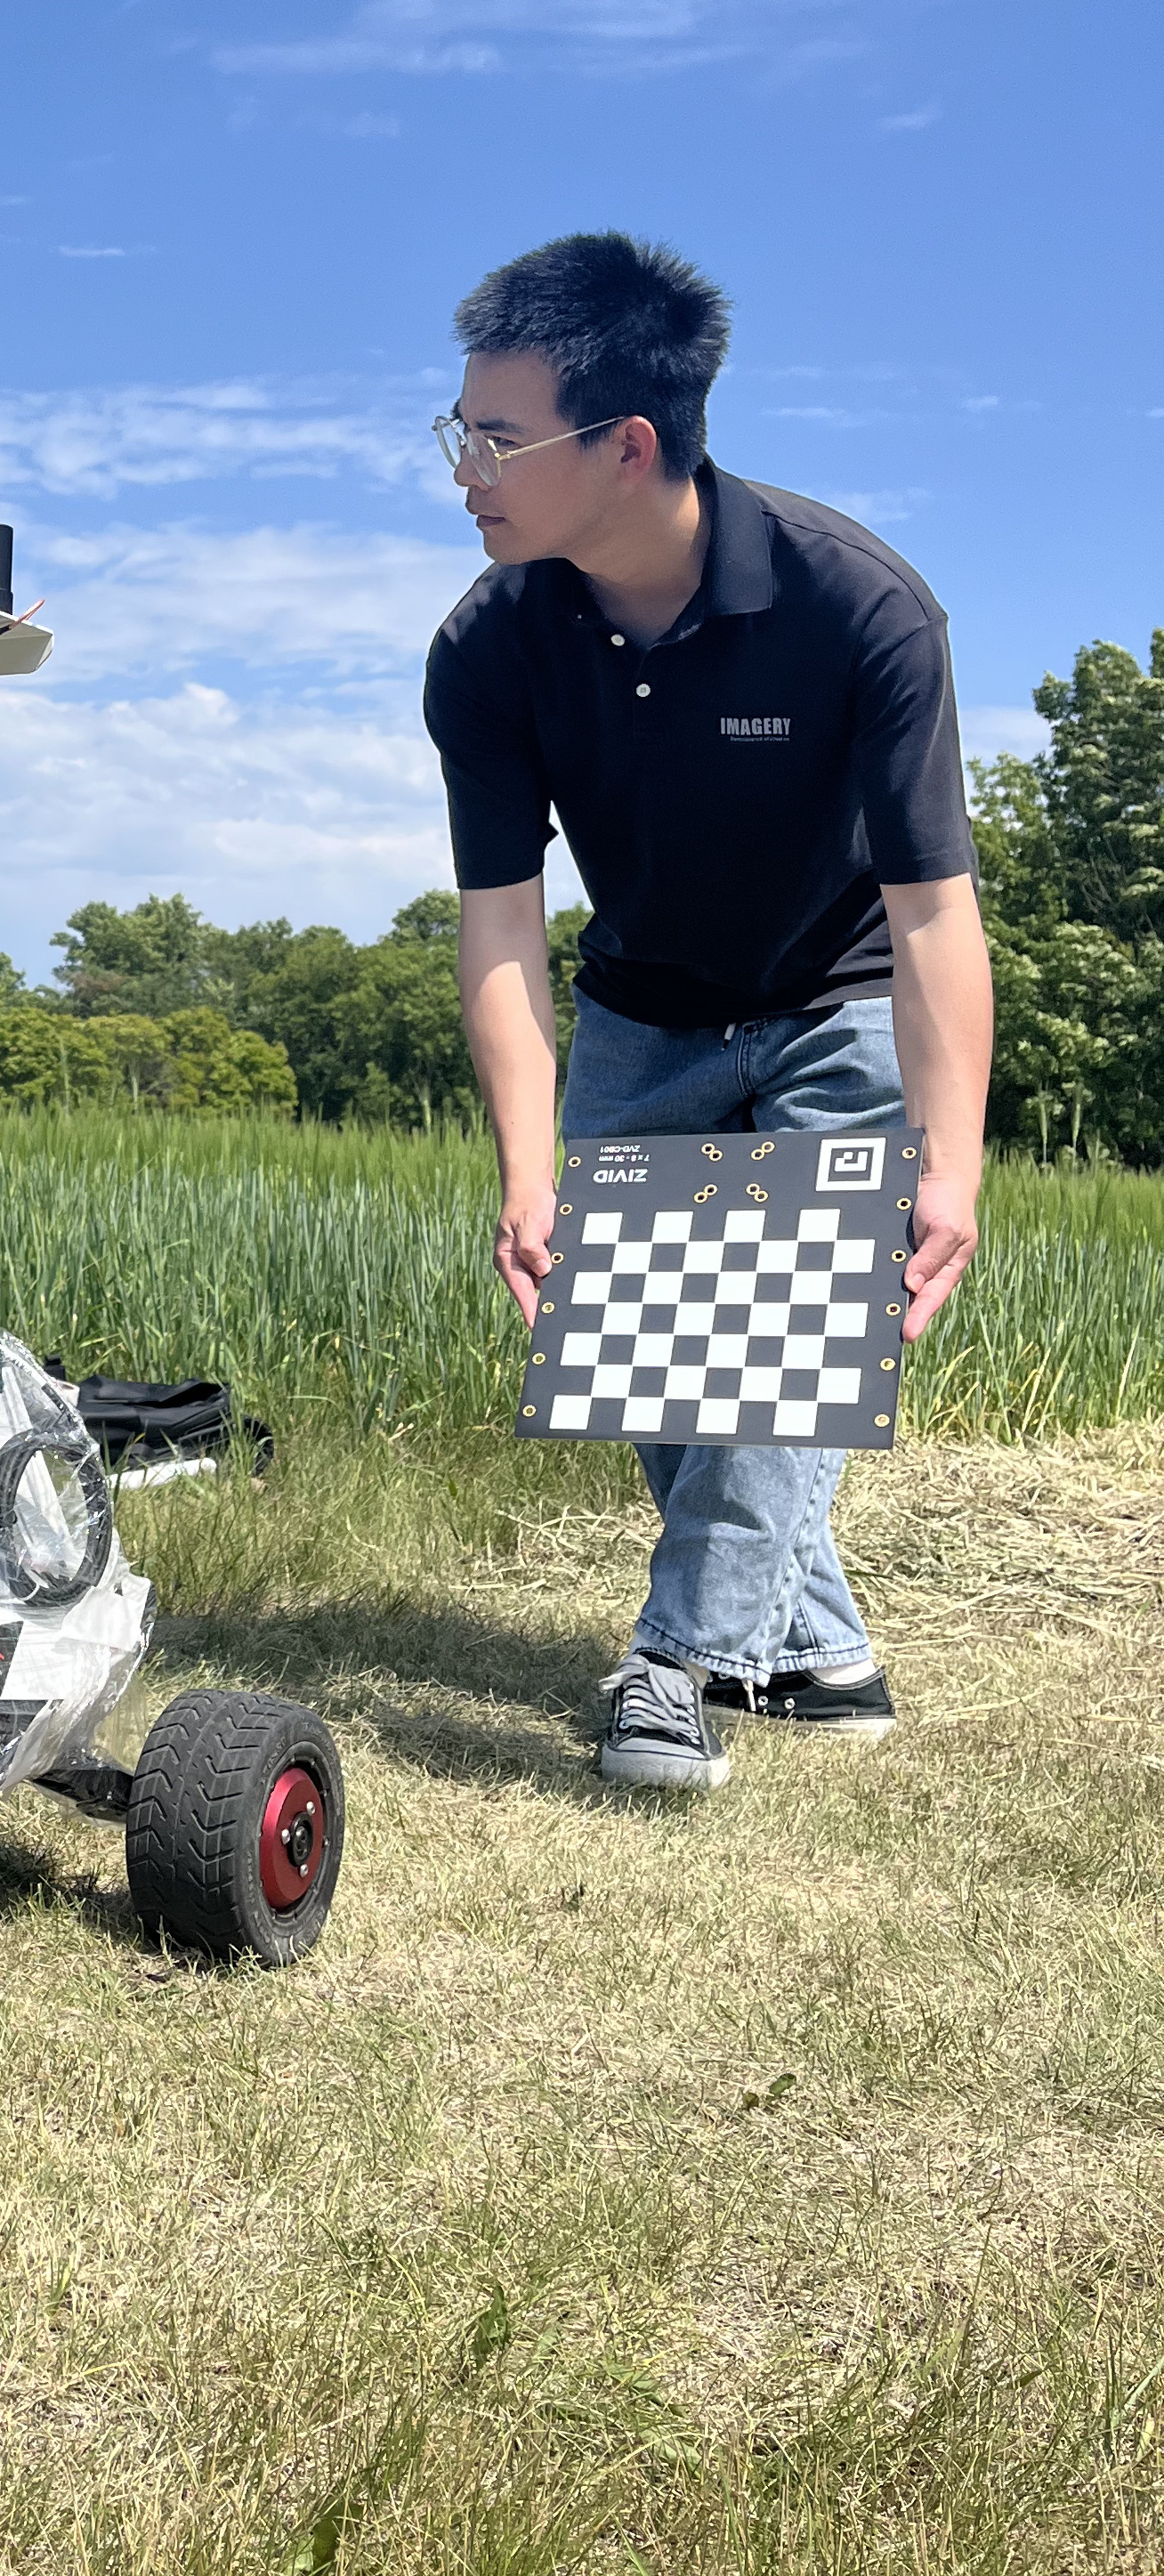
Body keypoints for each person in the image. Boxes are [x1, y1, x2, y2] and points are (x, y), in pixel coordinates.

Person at [422, 231, 992, 1791]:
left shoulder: (858, 605)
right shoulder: (488, 645)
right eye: (456, 430)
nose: (463, 471)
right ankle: (821, 1658)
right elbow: (499, 926)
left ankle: (669, 1668)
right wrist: (527, 1170)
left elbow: (933, 911)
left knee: (774, 1341)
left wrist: (950, 1163)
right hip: (641, 1008)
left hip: (839, 993)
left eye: (494, 438)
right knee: (656, 1378)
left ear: (625, 443)